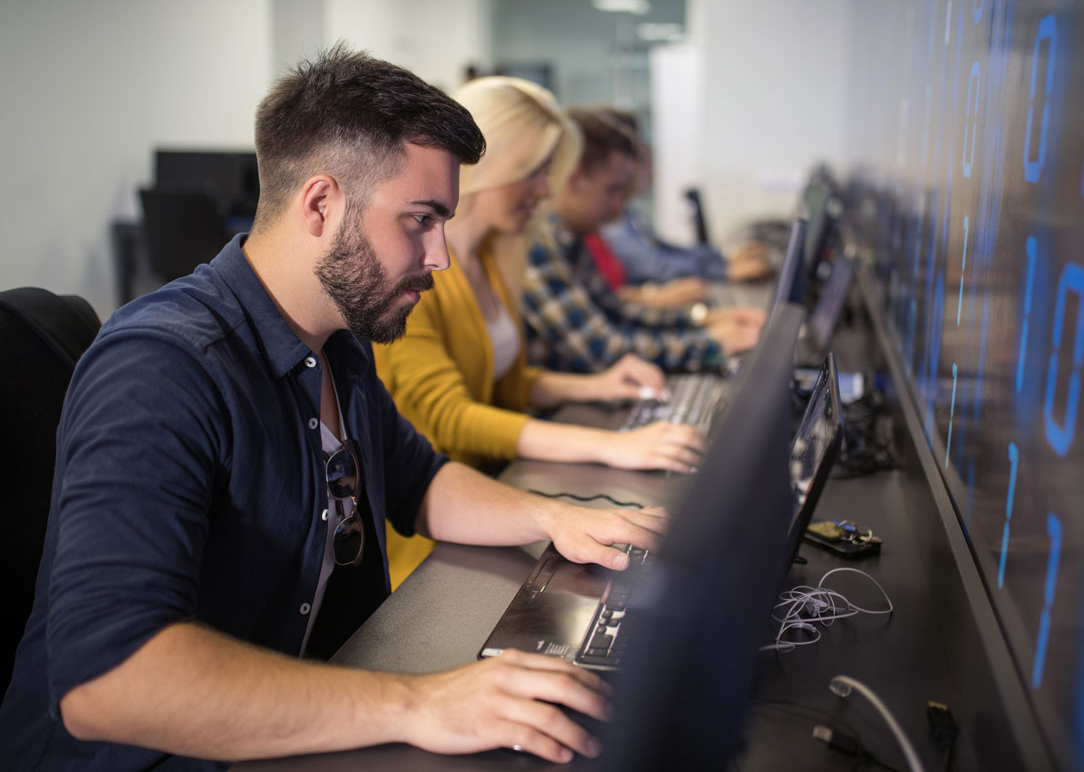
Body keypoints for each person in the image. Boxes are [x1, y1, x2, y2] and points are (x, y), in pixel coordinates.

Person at [0, 45, 667, 770]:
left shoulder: (338, 339)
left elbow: (422, 482)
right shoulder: (162, 369)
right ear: (321, 203)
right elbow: (109, 684)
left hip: (295, 720)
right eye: (419, 219)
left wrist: (558, 517)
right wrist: (422, 704)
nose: (439, 256)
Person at [373, 76, 704, 587]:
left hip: (491, 497)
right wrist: (609, 445)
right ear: (485, 167)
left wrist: (594, 386)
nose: (546, 191)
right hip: (438, 538)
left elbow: (503, 382)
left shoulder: (488, 258)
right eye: (534, 171)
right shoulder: (418, 275)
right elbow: (449, 418)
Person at [521, 105, 765, 374]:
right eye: (612, 189)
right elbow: (602, 351)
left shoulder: (570, 236)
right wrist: (708, 344)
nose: (618, 205)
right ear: (575, 179)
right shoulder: (538, 243)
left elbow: (617, 310)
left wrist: (700, 320)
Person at [594, 108, 773, 290]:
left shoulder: (628, 212)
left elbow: (665, 250)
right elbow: (656, 267)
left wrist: (725, 256)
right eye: (638, 154)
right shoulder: (609, 220)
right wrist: (725, 271)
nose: (646, 163)